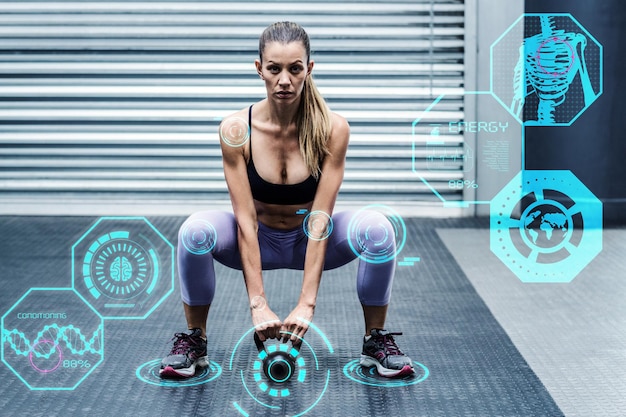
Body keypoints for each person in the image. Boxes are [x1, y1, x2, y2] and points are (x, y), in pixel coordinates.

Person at [160, 21, 414, 379]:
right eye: (274, 69)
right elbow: (245, 219)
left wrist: (306, 305)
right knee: (193, 232)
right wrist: (258, 304)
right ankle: (194, 340)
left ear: (308, 69)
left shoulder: (332, 129)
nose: (284, 80)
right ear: (259, 68)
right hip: (256, 239)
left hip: (308, 236)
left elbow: (321, 220)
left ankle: (375, 340)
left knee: (379, 230)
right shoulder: (236, 130)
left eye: (295, 69)